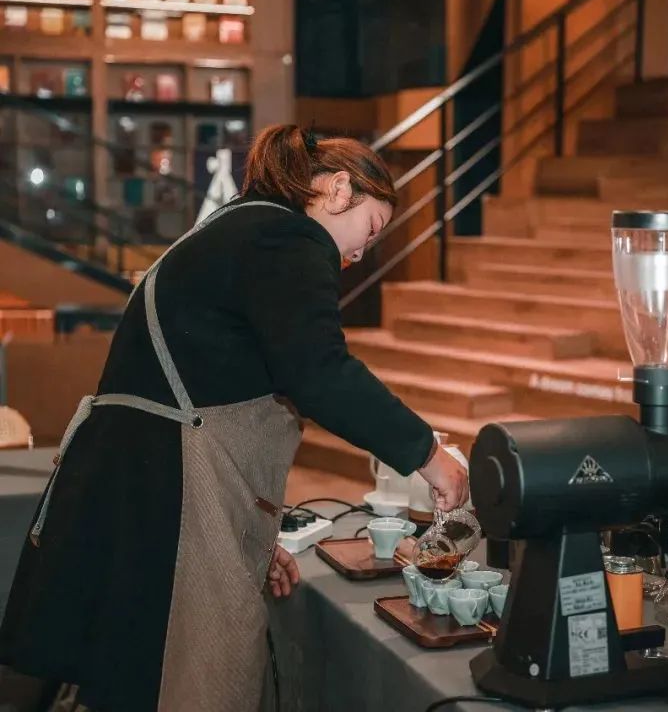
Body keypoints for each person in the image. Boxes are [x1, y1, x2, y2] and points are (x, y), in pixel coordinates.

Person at [0, 124, 470, 711]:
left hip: (138, 490)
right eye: (369, 231)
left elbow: (217, 380)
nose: (356, 256)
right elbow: (320, 372)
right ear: (338, 189)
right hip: (164, 500)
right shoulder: (289, 238)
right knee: (184, 682)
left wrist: (250, 538)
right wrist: (429, 455)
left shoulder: (238, 227)